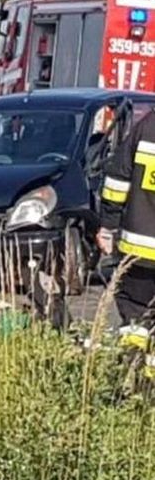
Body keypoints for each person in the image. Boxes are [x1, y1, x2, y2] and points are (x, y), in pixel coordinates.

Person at [99, 108, 155, 380]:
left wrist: (108, 224)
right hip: (139, 251)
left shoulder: (145, 129)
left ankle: (130, 379)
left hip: (138, 252)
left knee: (134, 319)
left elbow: (116, 183)